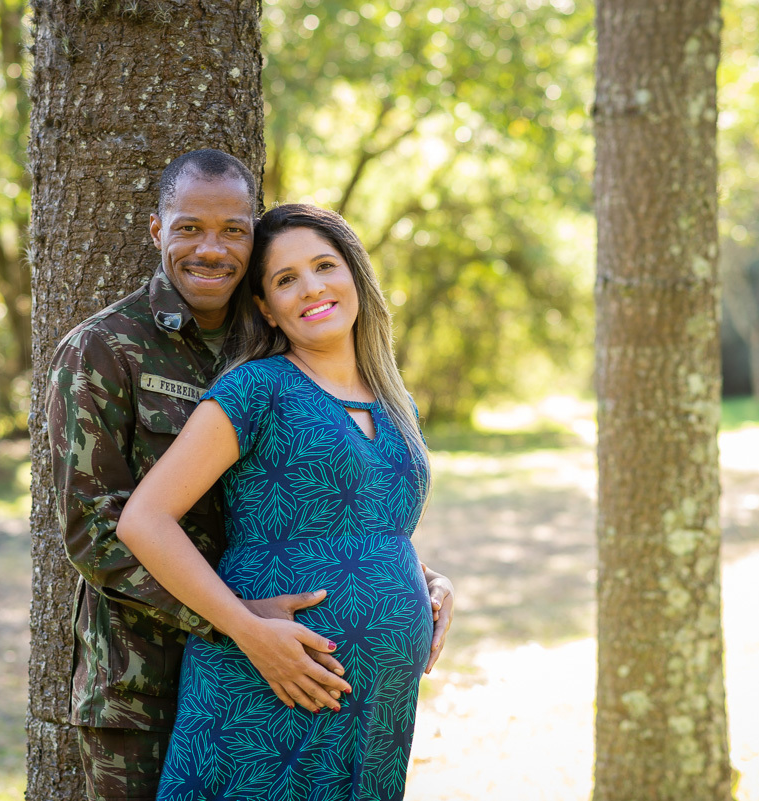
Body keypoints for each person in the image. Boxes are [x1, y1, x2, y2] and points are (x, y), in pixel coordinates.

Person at [47, 150, 454, 801]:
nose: (211, 248)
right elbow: (100, 530)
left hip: (344, 694)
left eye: (233, 230)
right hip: (146, 675)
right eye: (189, 228)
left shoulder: (298, 351)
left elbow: (322, 499)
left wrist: (416, 578)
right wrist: (237, 623)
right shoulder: (107, 349)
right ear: (158, 230)